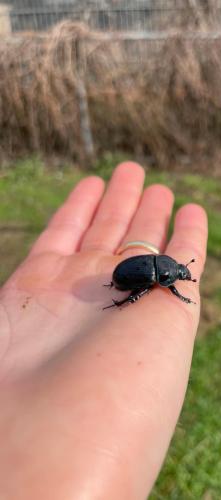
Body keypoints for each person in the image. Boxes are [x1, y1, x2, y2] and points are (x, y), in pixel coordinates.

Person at [0, 162, 208, 499]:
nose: (181, 275)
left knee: (140, 294)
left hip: (127, 270)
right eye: (180, 275)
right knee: (138, 295)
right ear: (170, 274)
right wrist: (180, 294)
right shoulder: (159, 277)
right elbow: (152, 285)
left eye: (181, 274)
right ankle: (119, 304)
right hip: (125, 275)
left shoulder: (164, 271)